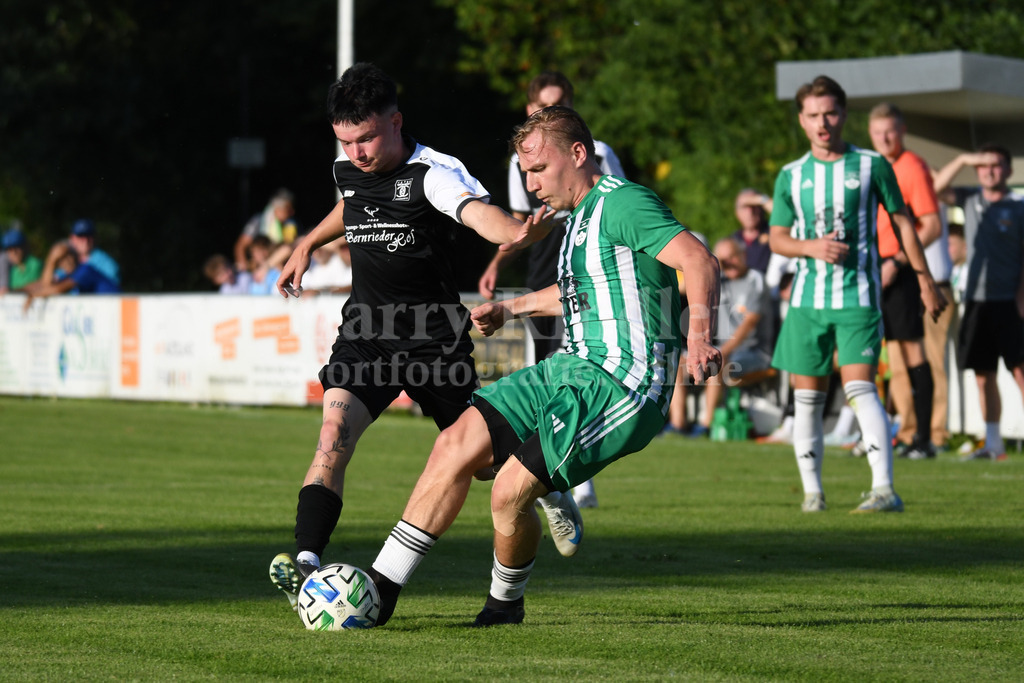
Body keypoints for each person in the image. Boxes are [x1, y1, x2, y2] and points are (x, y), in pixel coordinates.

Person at [361, 105, 721, 628]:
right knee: (456, 442)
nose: (529, 184)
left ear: (578, 154)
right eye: (524, 172)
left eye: (537, 169)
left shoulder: (625, 203)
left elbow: (699, 259)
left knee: (508, 490)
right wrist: (512, 308)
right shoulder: (575, 221)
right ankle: (382, 585)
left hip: (622, 383)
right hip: (570, 367)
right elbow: (580, 292)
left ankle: (504, 606)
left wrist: (701, 336)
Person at [266, 63, 559, 610]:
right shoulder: (350, 164)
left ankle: (546, 482)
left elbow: (475, 214)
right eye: (346, 141)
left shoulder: (434, 173)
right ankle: (306, 563)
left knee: (485, 464)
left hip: (434, 343)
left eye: (367, 138)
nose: (356, 153)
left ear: (396, 121)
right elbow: (351, 204)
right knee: (334, 432)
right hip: (367, 334)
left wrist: (515, 233)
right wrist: (306, 242)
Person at [768, 76, 945, 514]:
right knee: (806, 399)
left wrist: (924, 278)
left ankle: (884, 489)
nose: (823, 122)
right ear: (802, 121)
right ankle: (813, 494)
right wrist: (810, 247)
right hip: (807, 303)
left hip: (858, 298)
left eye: (830, 112)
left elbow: (904, 223)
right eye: (813, 115)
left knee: (861, 388)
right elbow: (776, 238)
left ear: (844, 115)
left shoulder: (870, 165)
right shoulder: (791, 175)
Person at [477, 70, 625, 509]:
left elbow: (618, 201)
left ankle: (576, 480)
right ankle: (555, 479)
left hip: (592, 260)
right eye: (545, 106)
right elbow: (521, 227)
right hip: (546, 265)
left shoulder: (601, 155)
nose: (553, 112)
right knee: (551, 368)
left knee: (582, 363)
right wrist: (497, 262)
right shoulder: (518, 161)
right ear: (529, 111)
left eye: (562, 104)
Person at [933, 145, 1024, 461]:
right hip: (976, 301)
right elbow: (935, 189)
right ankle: (994, 443)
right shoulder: (970, 198)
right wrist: (961, 159)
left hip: (1011, 301)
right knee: (983, 375)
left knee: (1020, 371)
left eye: (996, 166)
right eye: (983, 166)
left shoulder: (1018, 205)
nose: (989, 171)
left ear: (1009, 171)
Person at [867, 103, 948, 460]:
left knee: (913, 353)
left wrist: (897, 263)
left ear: (902, 131)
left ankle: (926, 439)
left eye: (891, 131)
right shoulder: (876, 165)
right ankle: (894, 432)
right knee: (885, 358)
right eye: (878, 132)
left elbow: (930, 226)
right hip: (874, 266)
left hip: (899, 270)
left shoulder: (912, 166)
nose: (885, 138)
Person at [685, 236, 772, 437]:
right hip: (725, 351)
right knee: (677, 363)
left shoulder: (754, 279)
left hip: (755, 352)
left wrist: (722, 352)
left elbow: (749, 323)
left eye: (732, 257)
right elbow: (686, 288)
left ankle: (705, 425)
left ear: (743, 255)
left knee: (717, 363)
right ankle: (677, 424)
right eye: (723, 260)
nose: (728, 263)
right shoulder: (720, 280)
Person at [233, 189, 300, 273]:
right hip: (260, 270)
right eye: (289, 209)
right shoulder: (258, 221)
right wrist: (245, 270)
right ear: (278, 209)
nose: (292, 212)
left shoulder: (292, 224)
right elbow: (241, 246)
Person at [732, 189, 774, 274]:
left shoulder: (774, 232)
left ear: (762, 208)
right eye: (744, 207)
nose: (750, 212)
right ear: (737, 213)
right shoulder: (733, 241)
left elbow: (783, 216)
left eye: (754, 206)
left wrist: (761, 199)